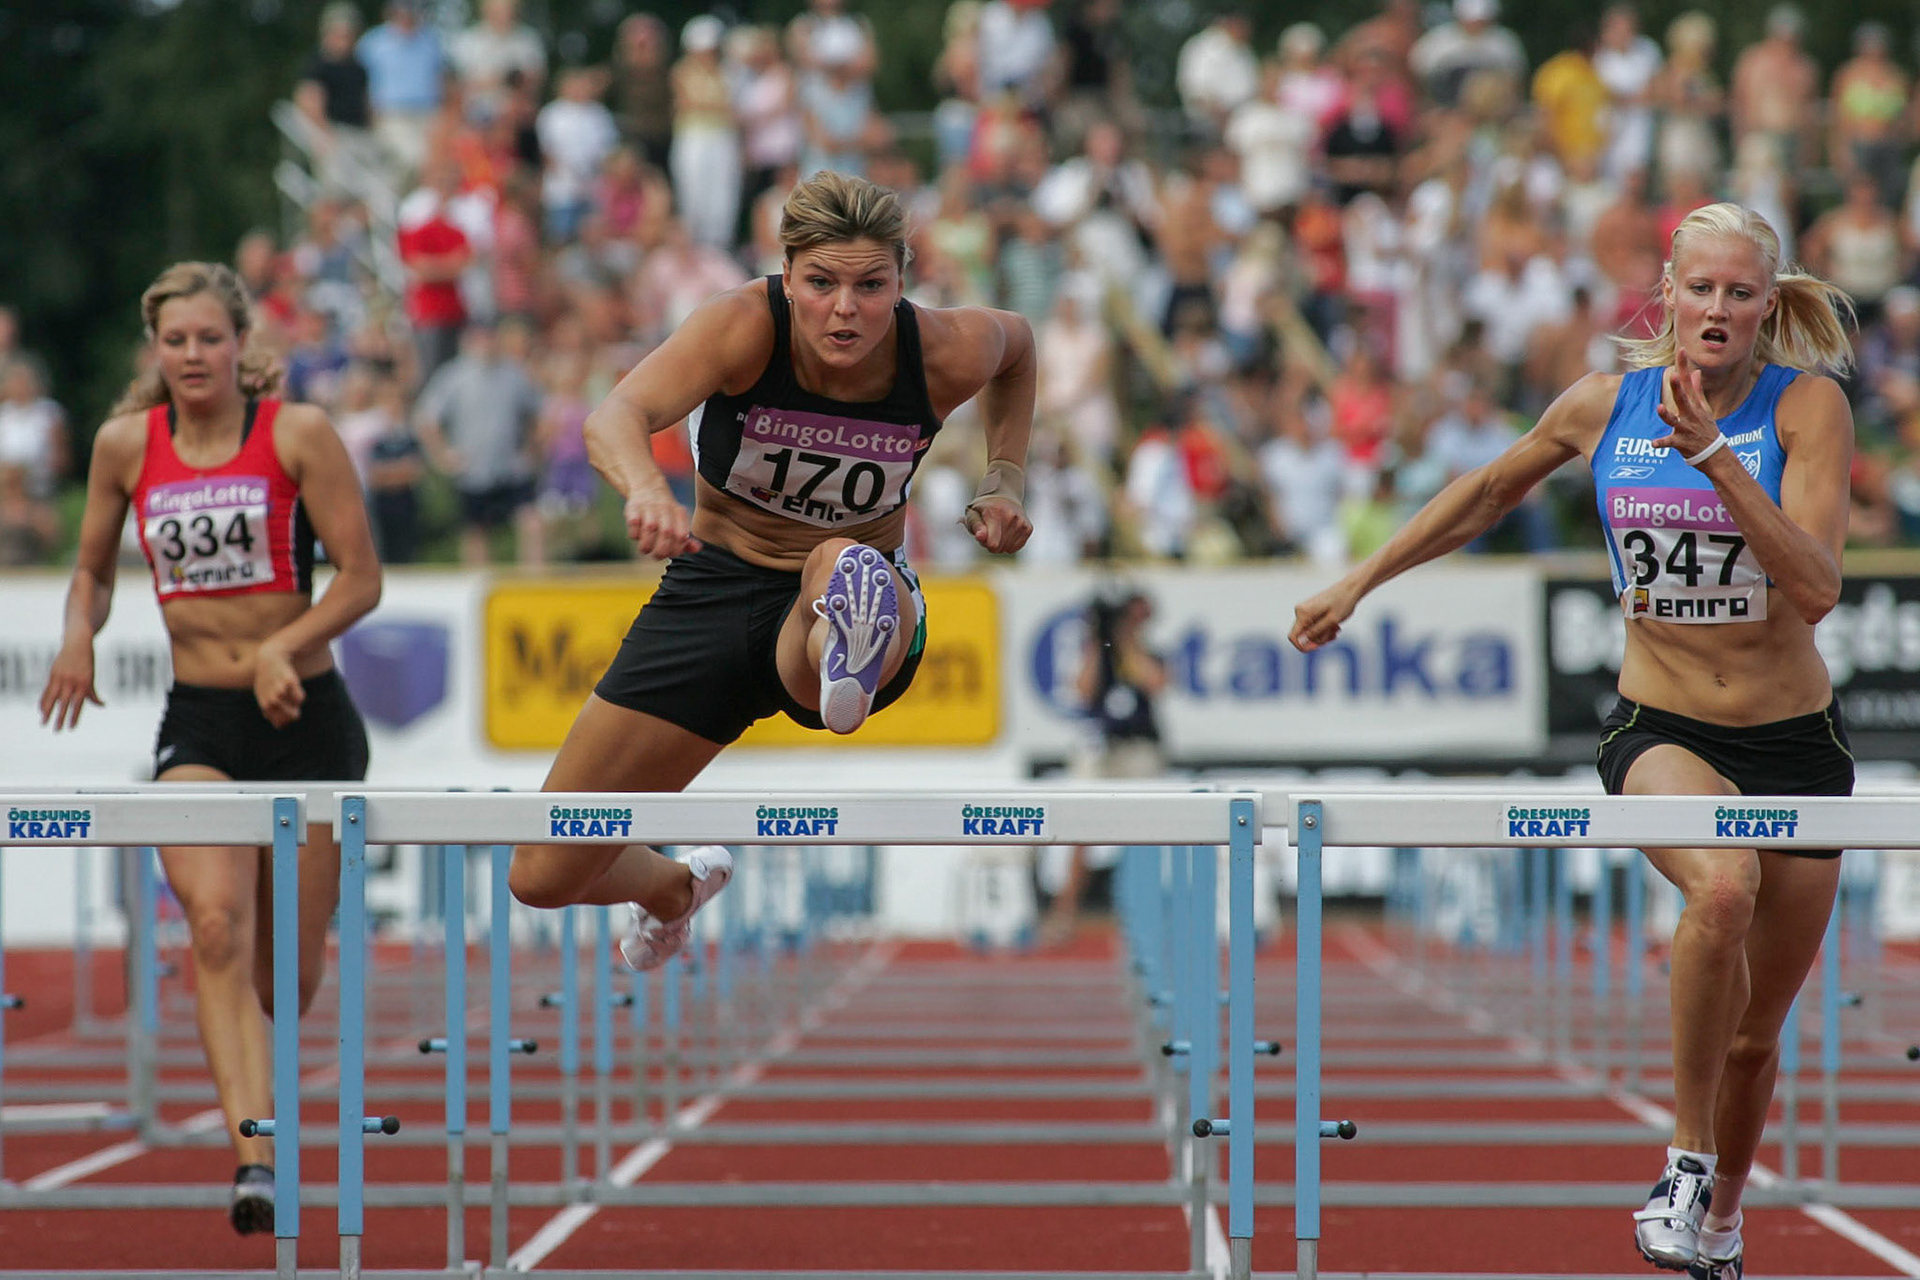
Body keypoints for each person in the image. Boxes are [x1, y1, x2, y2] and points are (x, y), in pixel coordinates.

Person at [1290, 203, 1857, 1280]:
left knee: (1754, 1034)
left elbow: (1820, 587)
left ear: (1768, 305)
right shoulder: (1608, 403)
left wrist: (1721, 464)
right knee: (1721, 887)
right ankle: (1685, 1163)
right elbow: (1487, 492)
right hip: (1662, 723)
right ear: (1669, 291)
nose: (1720, 310)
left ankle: (1724, 1223)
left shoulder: (1806, 410)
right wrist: (1356, 582)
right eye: (1702, 289)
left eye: (1743, 293)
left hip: (1794, 739)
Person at [506, 170, 1033, 969]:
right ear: (787, 278)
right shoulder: (742, 328)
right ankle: (674, 892)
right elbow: (616, 413)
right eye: (821, 284)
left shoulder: (942, 351)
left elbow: (1019, 348)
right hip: (712, 590)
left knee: (838, 562)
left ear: (903, 281)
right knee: (542, 870)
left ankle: (841, 651)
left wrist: (1006, 475)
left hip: (850, 598)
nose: (845, 309)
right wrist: (646, 488)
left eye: (870, 285)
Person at [37, 262, 382, 1234]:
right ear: (156, 350)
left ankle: (262, 1118)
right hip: (200, 724)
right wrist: (78, 631)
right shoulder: (124, 447)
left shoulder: (297, 433)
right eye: (175, 341)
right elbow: (92, 571)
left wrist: (285, 643)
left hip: (307, 718)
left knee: (287, 978)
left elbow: (362, 579)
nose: (192, 355)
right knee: (217, 928)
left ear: (241, 345)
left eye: (209, 339)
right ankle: (255, 1157)